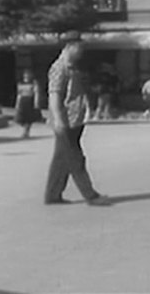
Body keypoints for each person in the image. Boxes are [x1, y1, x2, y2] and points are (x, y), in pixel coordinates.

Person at [44, 31, 110, 206]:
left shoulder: (73, 68)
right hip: (66, 121)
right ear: (70, 46)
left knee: (61, 159)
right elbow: (54, 96)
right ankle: (91, 196)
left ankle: (52, 195)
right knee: (75, 158)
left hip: (75, 120)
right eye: (79, 47)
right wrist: (58, 120)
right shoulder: (60, 68)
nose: (82, 50)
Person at [14, 69, 40, 139]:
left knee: (28, 118)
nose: (27, 76)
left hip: (29, 100)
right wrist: (17, 104)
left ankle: (25, 132)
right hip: (22, 100)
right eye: (25, 74)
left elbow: (36, 93)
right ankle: (25, 130)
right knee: (20, 118)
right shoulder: (20, 83)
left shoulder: (33, 83)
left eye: (28, 74)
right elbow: (19, 94)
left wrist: (36, 102)